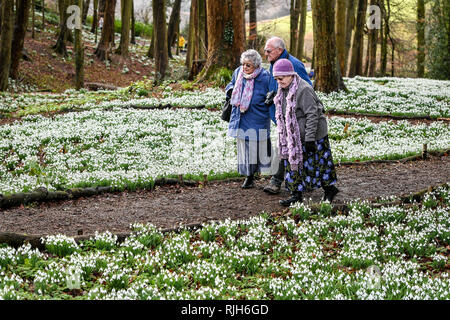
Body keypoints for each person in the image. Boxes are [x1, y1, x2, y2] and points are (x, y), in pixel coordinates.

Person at [271, 59, 339, 206]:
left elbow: (312, 115)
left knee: (317, 164)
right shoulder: (283, 89)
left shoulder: (304, 89)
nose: (279, 81)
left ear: (290, 75)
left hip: (314, 135)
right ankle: (296, 195)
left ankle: (330, 189)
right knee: (293, 163)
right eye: (276, 79)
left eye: (281, 78)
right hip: (294, 137)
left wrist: (309, 139)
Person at [262, 36, 313, 195]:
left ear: (279, 50)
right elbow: (280, 86)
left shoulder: (294, 64)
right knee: (288, 147)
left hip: (294, 117)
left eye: (268, 51)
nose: (266, 54)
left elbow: (305, 89)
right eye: (265, 51)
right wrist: (273, 95)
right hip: (281, 114)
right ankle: (306, 180)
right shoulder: (274, 64)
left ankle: (276, 182)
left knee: (284, 147)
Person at [226, 49, 273, 189]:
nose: (245, 68)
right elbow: (231, 84)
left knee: (256, 147)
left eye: (249, 65)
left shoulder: (265, 76)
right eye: (243, 64)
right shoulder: (238, 72)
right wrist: (230, 91)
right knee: (245, 147)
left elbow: (271, 92)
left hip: (258, 116)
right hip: (241, 115)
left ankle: (261, 173)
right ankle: (249, 176)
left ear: (257, 66)